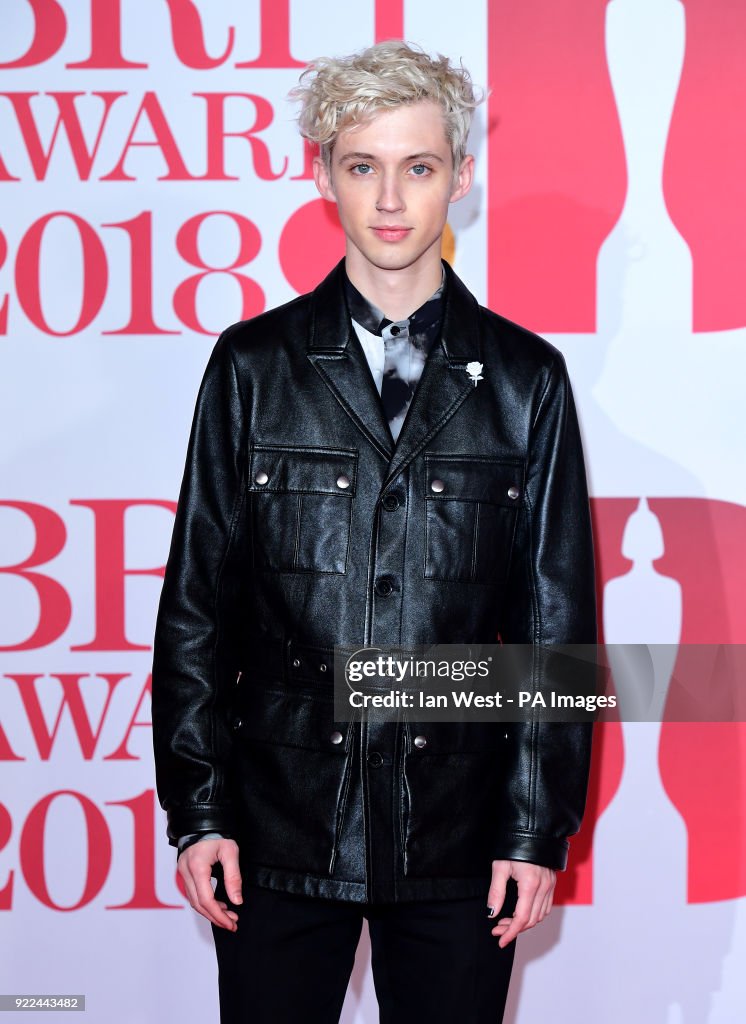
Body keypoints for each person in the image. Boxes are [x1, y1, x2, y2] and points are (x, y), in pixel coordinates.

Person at [151, 39, 597, 1024]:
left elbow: (555, 631)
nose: (390, 199)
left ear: (460, 177)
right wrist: (201, 810)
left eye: (419, 166)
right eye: (363, 167)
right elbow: (194, 611)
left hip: (456, 831)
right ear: (322, 176)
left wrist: (531, 830)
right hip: (275, 825)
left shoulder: (527, 382)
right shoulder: (252, 366)